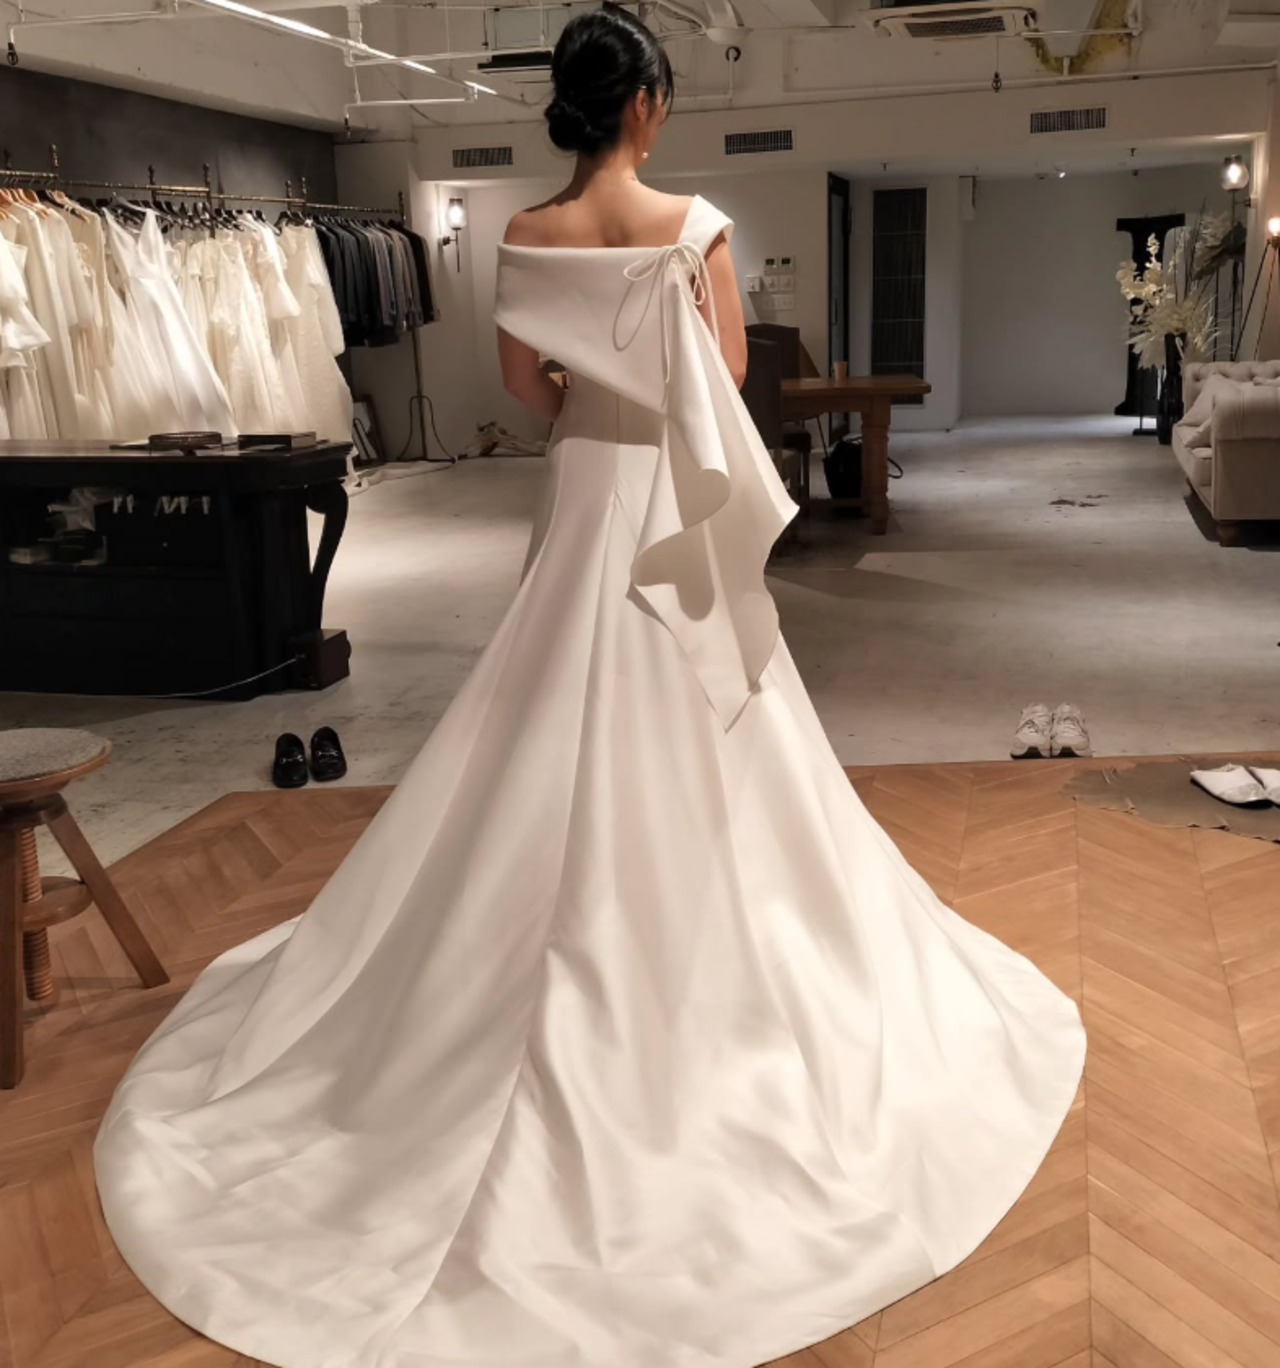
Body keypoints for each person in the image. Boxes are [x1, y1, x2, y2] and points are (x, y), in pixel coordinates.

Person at [92, 6, 1087, 1367]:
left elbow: (527, 387)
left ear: (566, 105)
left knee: (544, 694)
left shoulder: (524, 235)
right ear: (649, 105)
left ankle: (508, 930)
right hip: (666, 486)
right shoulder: (695, 226)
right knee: (703, 696)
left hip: (584, 489)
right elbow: (723, 376)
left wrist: (591, 380)